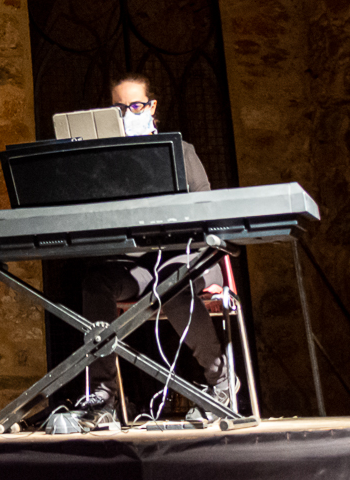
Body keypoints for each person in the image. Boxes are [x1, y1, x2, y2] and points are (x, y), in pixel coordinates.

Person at [77, 73, 234, 421]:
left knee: (173, 282)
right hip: (136, 266)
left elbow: (207, 211)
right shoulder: (104, 163)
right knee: (95, 283)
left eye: (135, 105)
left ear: (152, 107)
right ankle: (105, 394)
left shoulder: (181, 151)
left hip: (181, 259)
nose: (127, 113)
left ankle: (221, 382)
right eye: (119, 108)